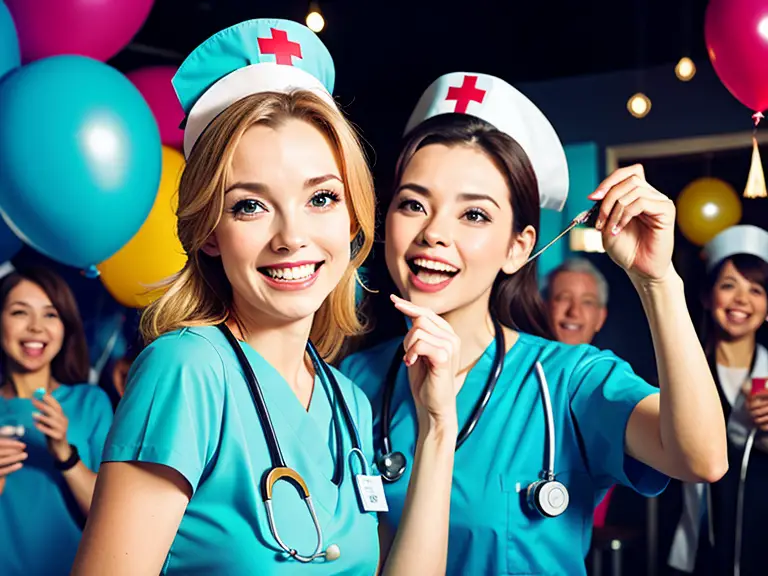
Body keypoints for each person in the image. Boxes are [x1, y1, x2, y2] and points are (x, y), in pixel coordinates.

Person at [72, 19, 458, 575]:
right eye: (250, 205)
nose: (292, 237)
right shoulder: (188, 369)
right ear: (209, 231)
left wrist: (437, 431)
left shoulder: (347, 402)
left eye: (321, 198)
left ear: (353, 214)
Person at [339, 72, 728, 575]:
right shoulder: (350, 383)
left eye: (474, 215)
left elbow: (701, 459)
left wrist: (658, 282)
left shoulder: (568, 381)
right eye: (413, 204)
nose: (434, 233)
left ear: (518, 247)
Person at [662, 225, 768, 576]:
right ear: (707, 298)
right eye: (728, 285)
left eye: (756, 289)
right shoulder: (681, 369)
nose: (741, 300)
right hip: (693, 537)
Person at [0, 266, 113, 576]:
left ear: (65, 326)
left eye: (50, 314)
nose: (36, 327)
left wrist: (65, 453)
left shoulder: (91, 403)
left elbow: (112, 519)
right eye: (20, 312)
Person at [545, 257, 608, 346]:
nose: (574, 312)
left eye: (587, 302)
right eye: (564, 298)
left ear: (601, 317)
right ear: (544, 307)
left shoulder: (610, 360)